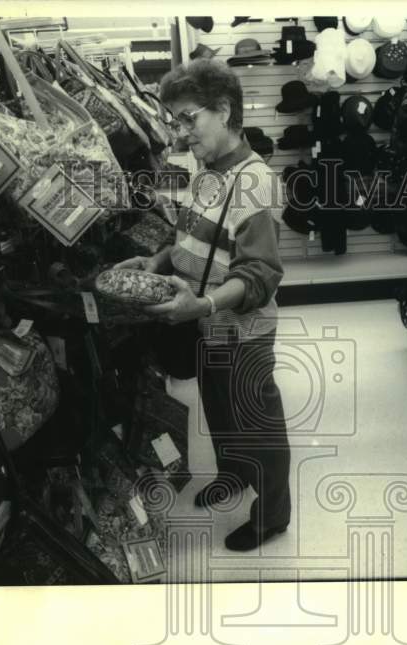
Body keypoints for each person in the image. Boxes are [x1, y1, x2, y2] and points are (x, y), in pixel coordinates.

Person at [111, 59, 291, 552]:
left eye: (189, 118)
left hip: (241, 330)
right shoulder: (207, 173)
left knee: (256, 421)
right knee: (218, 408)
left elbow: (260, 275)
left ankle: (273, 512)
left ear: (224, 110)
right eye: (176, 121)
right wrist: (158, 260)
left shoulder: (252, 182)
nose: (181, 132)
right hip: (207, 323)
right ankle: (233, 474)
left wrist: (205, 303)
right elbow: (192, 238)